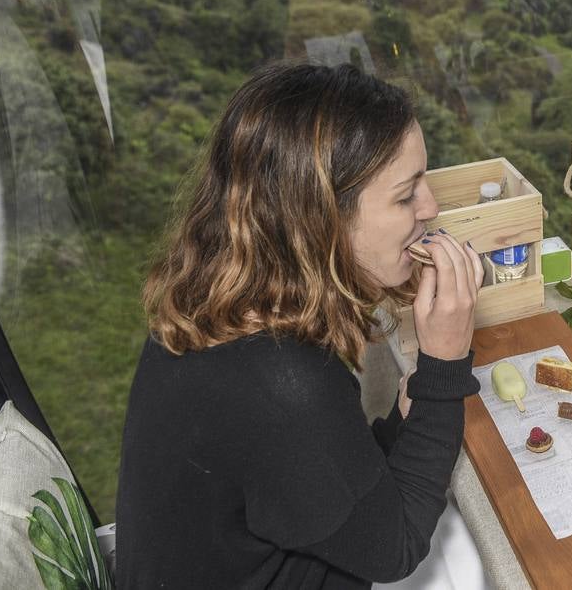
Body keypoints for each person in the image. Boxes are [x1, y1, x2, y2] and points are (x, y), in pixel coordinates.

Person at [116, 61, 483, 588]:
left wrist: (414, 407)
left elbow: (319, 485)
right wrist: (444, 363)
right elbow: (394, 547)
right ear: (322, 218)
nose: (431, 206)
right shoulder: (285, 385)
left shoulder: (215, 314)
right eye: (406, 195)